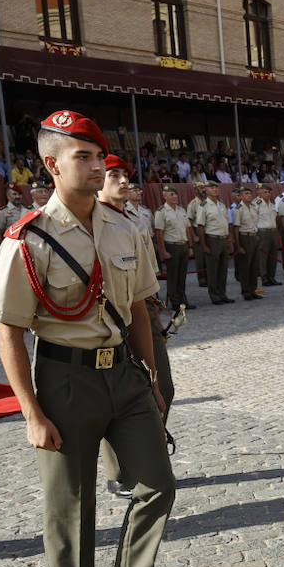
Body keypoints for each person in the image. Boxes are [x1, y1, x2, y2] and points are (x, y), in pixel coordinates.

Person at [0, 110, 176, 567]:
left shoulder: (125, 226)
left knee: (157, 485)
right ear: (51, 164)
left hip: (124, 375)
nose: (98, 166)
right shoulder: (27, 239)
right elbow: (9, 334)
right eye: (84, 157)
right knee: (70, 501)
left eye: (100, 156)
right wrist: (31, 412)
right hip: (65, 378)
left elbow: (140, 308)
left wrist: (151, 378)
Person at [96, 154, 175, 500]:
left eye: (126, 175)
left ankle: (147, 454)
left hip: (142, 311)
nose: (124, 181)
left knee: (163, 388)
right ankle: (120, 472)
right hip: (112, 321)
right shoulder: (92, 222)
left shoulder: (132, 218)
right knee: (119, 397)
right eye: (114, 175)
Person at [153, 185, 194, 310]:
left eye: (175, 194)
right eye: (171, 194)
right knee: (173, 276)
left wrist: (190, 246)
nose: (175, 196)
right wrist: (163, 251)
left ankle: (183, 300)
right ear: (165, 197)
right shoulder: (161, 212)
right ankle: (175, 301)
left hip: (183, 245)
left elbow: (187, 229)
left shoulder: (181, 210)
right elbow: (159, 233)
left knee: (182, 275)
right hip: (171, 246)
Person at [192, 180, 232, 303]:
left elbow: (226, 222)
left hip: (223, 238)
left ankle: (222, 293)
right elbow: (200, 226)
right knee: (213, 269)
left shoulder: (221, 204)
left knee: (223, 269)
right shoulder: (203, 206)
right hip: (212, 239)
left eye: (216, 187)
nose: (215, 189)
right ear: (206, 190)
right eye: (212, 188)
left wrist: (229, 239)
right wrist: (204, 245)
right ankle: (214, 295)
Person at [232, 185, 262, 300]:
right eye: (246, 194)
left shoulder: (254, 207)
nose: (249, 196)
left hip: (254, 236)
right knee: (245, 265)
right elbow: (236, 228)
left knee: (254, 265)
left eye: (250, 193)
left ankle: (253, 289)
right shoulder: (238, 209)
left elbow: (256, 223)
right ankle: (245, 290)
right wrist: (238, 245)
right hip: (244, 237)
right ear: (240, 196)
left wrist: (257, 236)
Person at [255, 183, 281, 287]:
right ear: (259, 193)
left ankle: (271, 277)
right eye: (265, 192)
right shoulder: (256, 204)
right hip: (263, 232)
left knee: (273, 255)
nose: (268, 194)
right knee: (263, 256)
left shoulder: (272, 204)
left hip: (273, 231)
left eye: (269, 192)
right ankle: (264, 277)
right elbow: (253, 219)